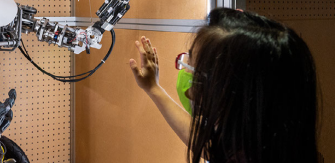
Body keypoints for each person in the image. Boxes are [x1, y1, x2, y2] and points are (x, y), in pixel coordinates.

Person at [129, 8, 319, 163]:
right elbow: (210, 146)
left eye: (200, 77)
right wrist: (154, 88)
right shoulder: (270, 143)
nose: (191, 92)